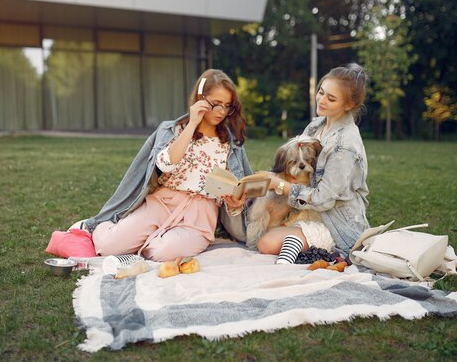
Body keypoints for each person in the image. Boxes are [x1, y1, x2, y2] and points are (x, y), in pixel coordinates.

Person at [73, 69, 253, 262]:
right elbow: (165, 164)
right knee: (108, 246)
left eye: (227, 106)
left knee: (164, 252)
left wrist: (236, 203)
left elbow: (236, 189)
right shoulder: (172, 129)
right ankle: (97, 228)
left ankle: (149, 242)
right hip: (161, 203)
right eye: (215, 104)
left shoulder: (230, 143)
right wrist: (192, 124)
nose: (221, 112)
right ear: (200, 98)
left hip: (200, 216)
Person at [256, 63, 371, 264]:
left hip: (334, 220)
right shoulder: (317, 124)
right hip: (306, 208)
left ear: (349, 105)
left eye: (331, 98)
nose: (322, 100)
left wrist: (280, 186)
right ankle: (301, 245)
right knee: (260, 226)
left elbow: (324, 199)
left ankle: (323, 251)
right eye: (321, 92)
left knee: (267, 244)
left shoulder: (345, 145)